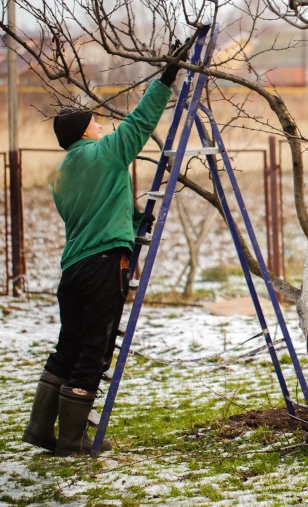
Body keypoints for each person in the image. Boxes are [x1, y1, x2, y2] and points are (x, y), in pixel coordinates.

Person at [22, 38, 190, 456]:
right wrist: (168, 75)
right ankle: (73, 439)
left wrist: (132, 222)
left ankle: (41, 429)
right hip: (101, 269)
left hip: (73, 269)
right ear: (84, 131)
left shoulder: (61, 177)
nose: (101, 126)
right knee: (93, 350)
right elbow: (140, 121)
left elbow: (94, 212)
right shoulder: (105, 154)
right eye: (95, 123)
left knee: (69, 345)